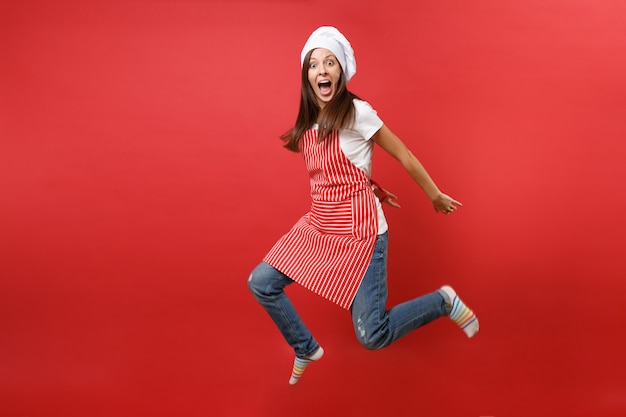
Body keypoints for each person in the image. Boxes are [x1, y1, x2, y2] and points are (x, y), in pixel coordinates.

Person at [248, 26, 479, 385]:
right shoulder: (309, 120)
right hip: (321, 226)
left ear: (340, 70)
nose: (321, 70)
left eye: (329, 62)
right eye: (313, 65)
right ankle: (305, 348)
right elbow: (338, 170)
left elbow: (402, 152)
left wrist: (434, 195)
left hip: (361, 233)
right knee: (261, 281)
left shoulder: (357, 111)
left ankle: (443, 301)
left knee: (372, 336)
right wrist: (368, 182)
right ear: (307, 76)